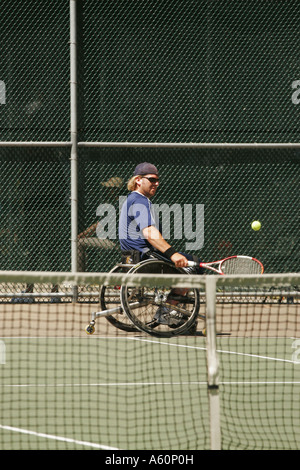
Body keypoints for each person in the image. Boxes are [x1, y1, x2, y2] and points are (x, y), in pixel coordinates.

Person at [118, 162, 203, 329]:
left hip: (133, 256)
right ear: (138, 181)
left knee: (189, 262)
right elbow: (149, 233)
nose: (156, 183)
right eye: (152, 179)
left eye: (158, 180)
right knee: (194, 266)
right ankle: (167, 312)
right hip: (145, 257)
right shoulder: (140, 201)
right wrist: (172, 254)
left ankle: (172, 310)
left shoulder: (132, 199)